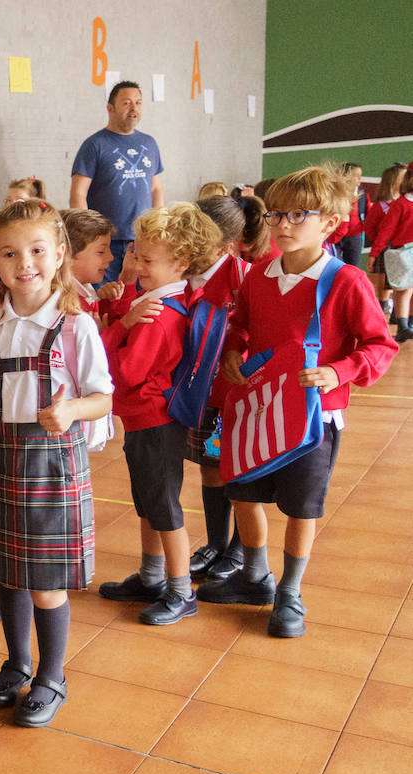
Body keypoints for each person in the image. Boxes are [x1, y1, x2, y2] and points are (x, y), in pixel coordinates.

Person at [202, 165, 397, 636]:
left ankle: (290, 590)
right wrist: (233, 347)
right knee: (242, 493)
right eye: (276, 216)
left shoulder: (345, 280)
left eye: (298, 215)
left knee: (301, 507)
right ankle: (255, 576)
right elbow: (241, 324)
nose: (283, 225)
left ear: (330, 222)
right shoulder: (259, 277)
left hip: (314, 417)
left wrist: (338, 371)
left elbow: (379, 345)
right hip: (257, 409)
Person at [0, 200, 113, 727]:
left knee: (44, 580)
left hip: (53, 465)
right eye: (10, 254)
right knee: (8, 576)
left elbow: (103, 398)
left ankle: (51, 674)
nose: (25, 263)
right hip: (0, 459)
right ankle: (17, 661)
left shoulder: (75, 328)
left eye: (37, 250)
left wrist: (71, 409)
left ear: (60, 254)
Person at [96, 203, 222, 626]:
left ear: (181, 262)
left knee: (165, 509)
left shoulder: (154, 316)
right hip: (146, 421)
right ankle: (151, 578)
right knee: (148, 503)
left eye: (147, 259)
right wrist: (128, 302)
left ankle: (181, 591)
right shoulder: (161, 300)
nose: (137, 264)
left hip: (153, 422)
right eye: (136, 254)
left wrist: (120, 328)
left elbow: (124, 372)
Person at [185, 195, 253, 583]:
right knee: (210, 471)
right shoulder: (180, 275)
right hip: (201, 395)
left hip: (238, 395)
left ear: (227, 246)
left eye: (201, 239)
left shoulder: (244, 278)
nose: (191, 246)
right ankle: (215, 543)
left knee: (242, 474)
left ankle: (241, 550)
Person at [70, 80, 165, 283]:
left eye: (138, 103)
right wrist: (89, 237)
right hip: (105, 242)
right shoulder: (94, 145)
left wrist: (158, 226)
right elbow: (78, 194)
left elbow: (156, 189)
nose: (134, 108)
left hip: (141, 241)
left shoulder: (150, 143)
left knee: (137, 298)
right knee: (104, 298)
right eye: (127, 103)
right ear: (110, 108)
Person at [369, 167, 413, 342]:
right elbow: (386, 231)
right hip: (402, 253)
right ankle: (402, 326)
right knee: (403, 289)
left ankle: (409, 322)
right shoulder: (400, 205)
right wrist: (374, 253)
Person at [62, 207, 125, 324]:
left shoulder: (86, 291)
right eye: (101, 252)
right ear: (67, 256)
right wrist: (124, 325)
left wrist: (106, 303)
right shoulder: (67, 307)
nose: (111, 257)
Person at [365, 164, 407, 319]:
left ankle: (400, 317)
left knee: (402, 285)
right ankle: (381, 316)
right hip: (385, 250)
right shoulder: (380, 206)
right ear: (393, 181)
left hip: (403, 251)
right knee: (384, 286)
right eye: (403, 178)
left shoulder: (405, 202)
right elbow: (369, 228)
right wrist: (379, 244)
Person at [333, 163, 367, 268]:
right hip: (335, 235)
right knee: (335, 265)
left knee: (353, 267)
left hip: (355, 236)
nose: (360, 178)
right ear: (345, 177)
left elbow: (367, 215)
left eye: (360, 175)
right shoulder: (334, 194)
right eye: (356, 175)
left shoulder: (362, 195)